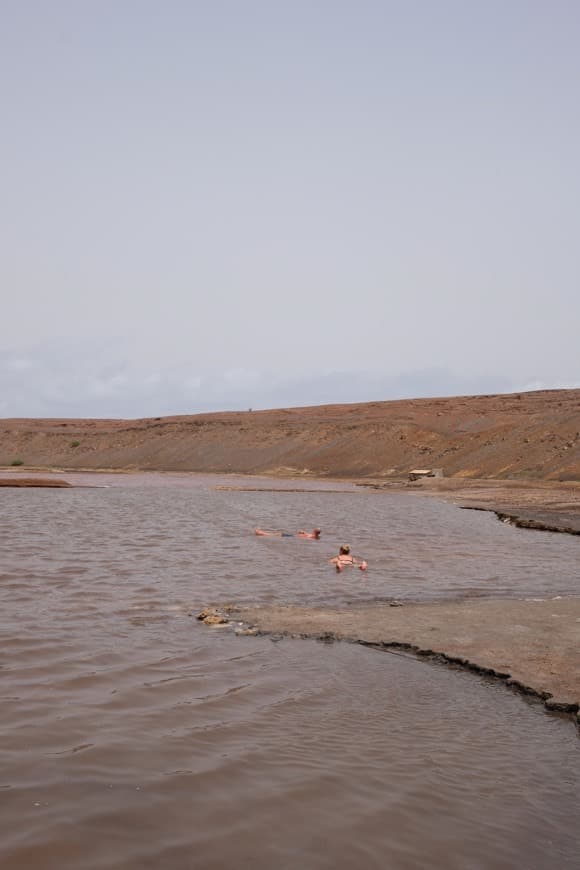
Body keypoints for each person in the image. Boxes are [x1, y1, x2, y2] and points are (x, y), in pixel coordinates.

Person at [254, 527, 321, 539]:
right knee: (276, 534)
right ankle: (261, 533)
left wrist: (303, 533)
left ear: (315, 531)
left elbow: (306, 536)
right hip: (293, 536)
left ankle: (261, 533)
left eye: (314, 530)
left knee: (277, 534)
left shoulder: (312, 536)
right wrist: (303, 532)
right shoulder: (315, 536)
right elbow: (307, 535)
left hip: (293, 536)